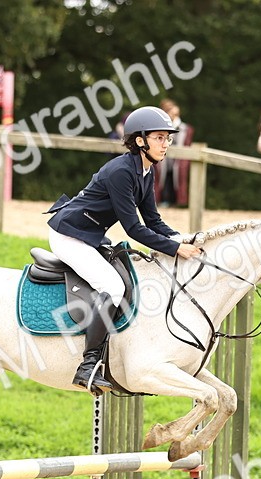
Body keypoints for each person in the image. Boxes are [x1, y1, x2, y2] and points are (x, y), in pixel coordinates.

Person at [46, 105, 204, 394]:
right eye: (159, 137)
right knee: (112, 286)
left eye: (168, 138)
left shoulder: (145, 171)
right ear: (140, 140)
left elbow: (153, 220)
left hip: (90, 234)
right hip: (68, 235)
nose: (166, 144)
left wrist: (182, 238)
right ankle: (88, 365)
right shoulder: (121, 171)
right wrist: (174, 249)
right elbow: (133, 228)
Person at [154, 100, 194, 207]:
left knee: (177, 181)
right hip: (163, 159)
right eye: (172, 113)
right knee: (163, 180)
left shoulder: (185, 129)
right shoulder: (160, 128)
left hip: (179, 160)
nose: (175, 116)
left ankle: (178, 202)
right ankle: (161, 200)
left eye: (176, 114)